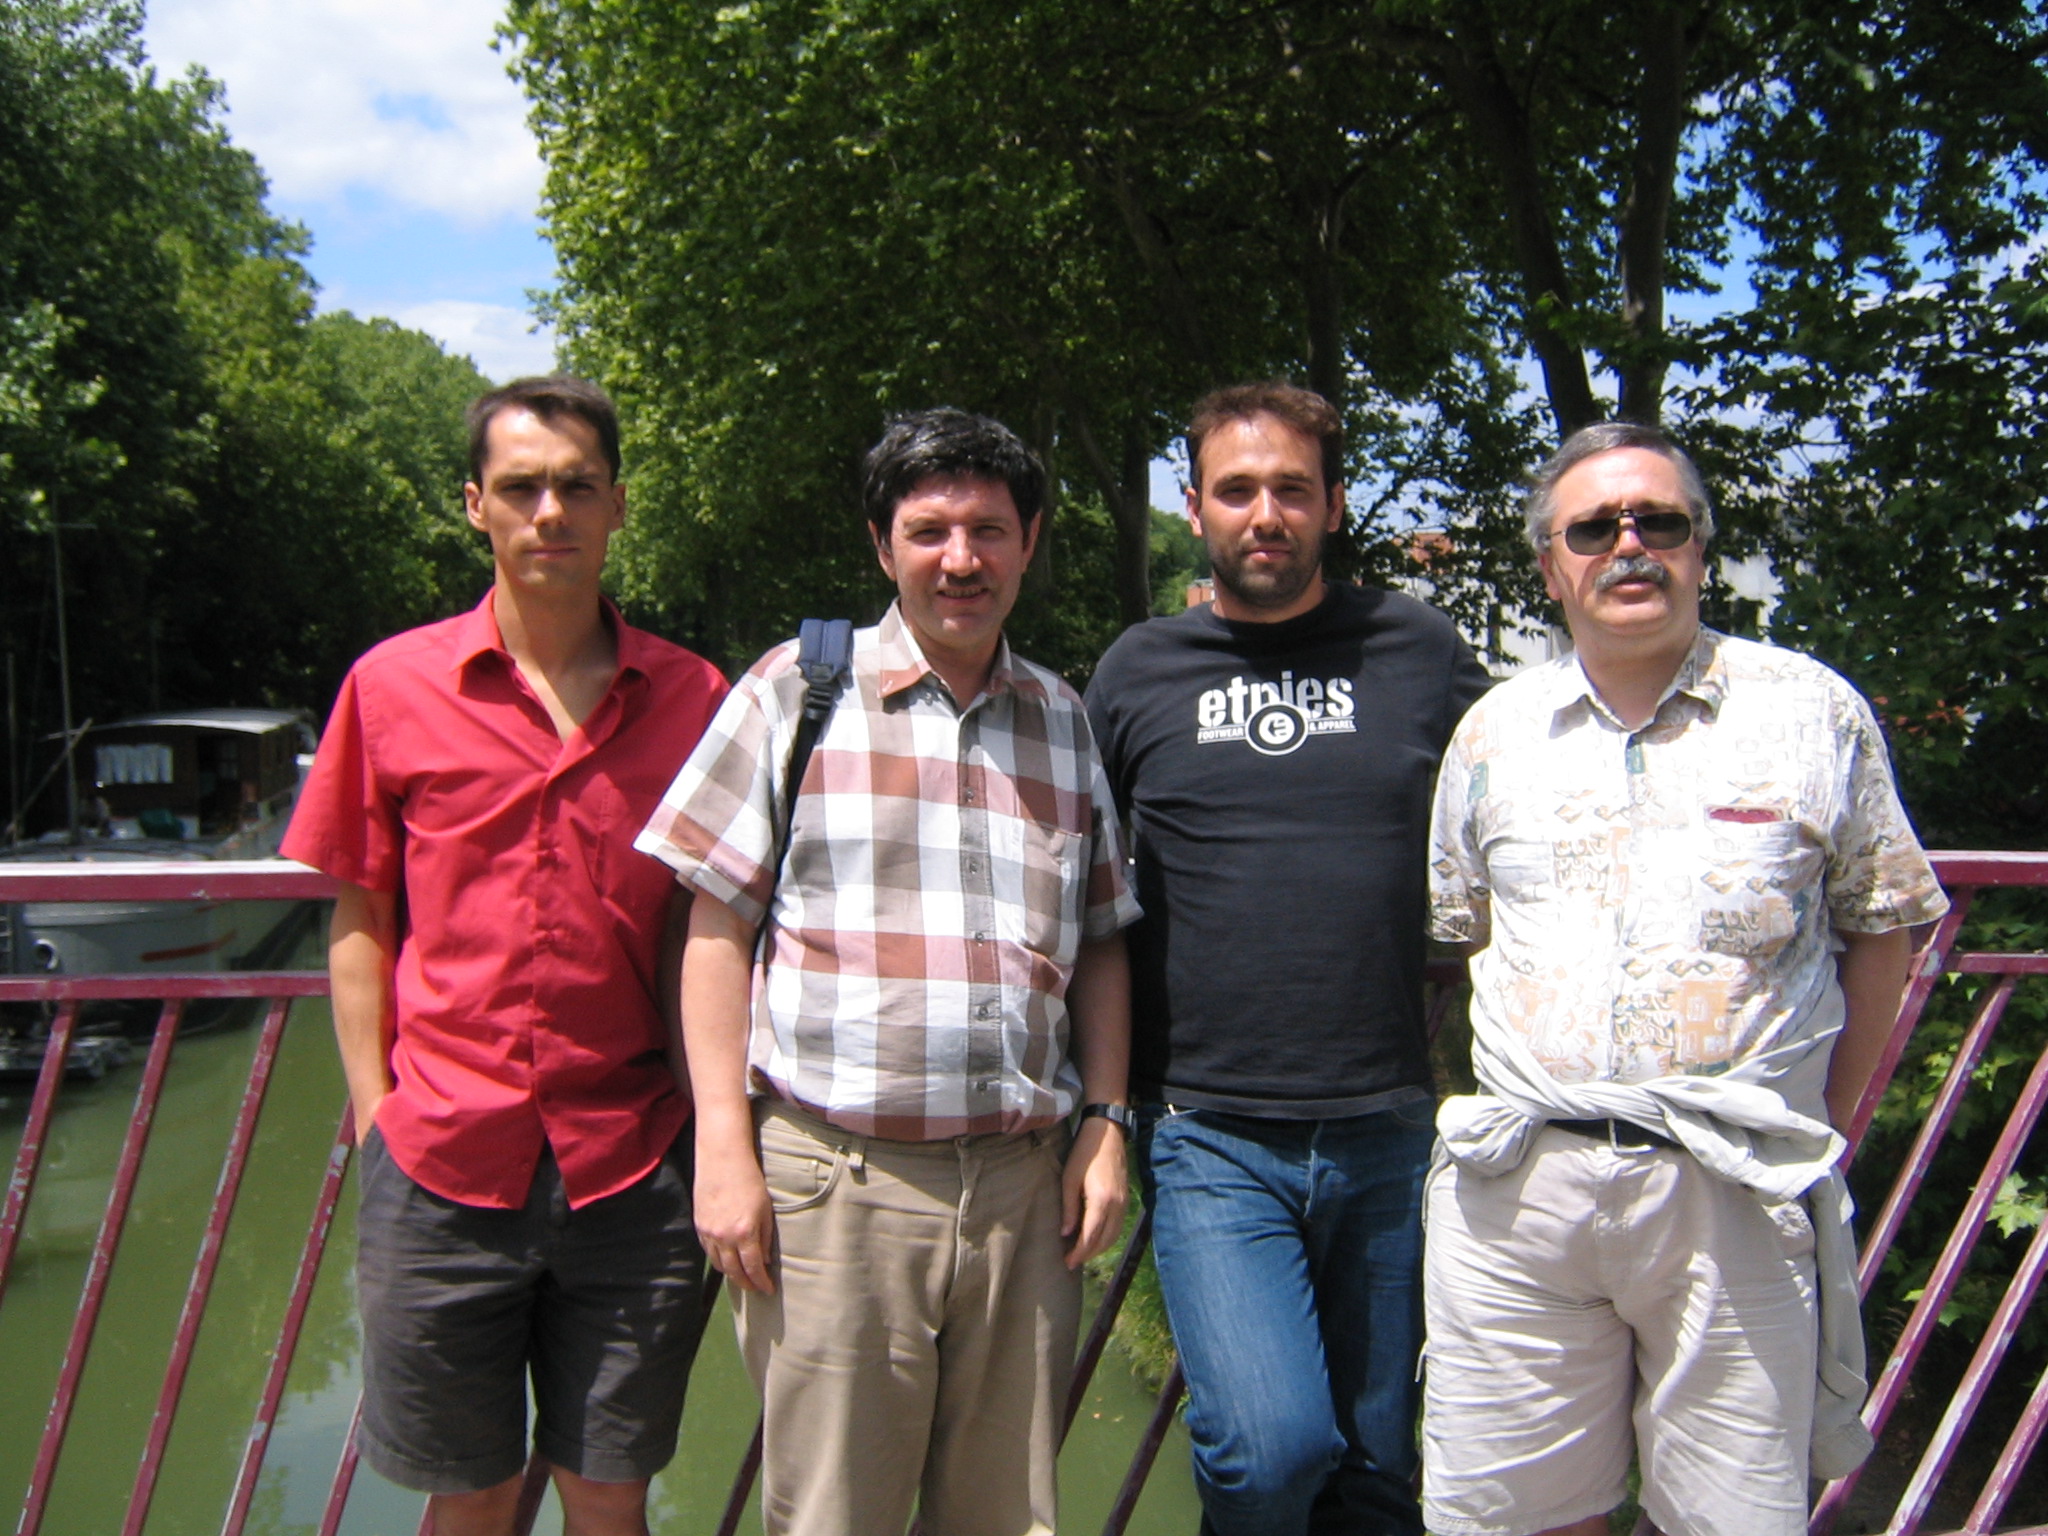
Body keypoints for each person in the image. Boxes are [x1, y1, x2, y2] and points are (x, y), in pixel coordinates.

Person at [1422, 422, 1950, 1536]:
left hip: (1734, 1187)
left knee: (1730, 1519)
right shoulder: (1489, 735)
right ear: (1549, 565)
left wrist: (1824, 1123)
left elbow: (1884, 927)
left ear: (1699, 547)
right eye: (1593, 528)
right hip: (1520, 1191)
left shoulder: (1812, 712)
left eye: (1658, 521)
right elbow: (1470, 933)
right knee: (1512, 1521)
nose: (1628, 544)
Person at [635, 407, 1139, 1536]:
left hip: (1022, 1193)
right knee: (834, 1517)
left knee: (1007, 1519)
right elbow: (713, 930)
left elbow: (1102, 936)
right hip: (836, 1188)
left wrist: (1104, 1123)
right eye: (929, 531)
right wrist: (722, 1143)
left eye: (989, 530)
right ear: (881, 545)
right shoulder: (793, 690)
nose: (961, 560)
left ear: (1028, 542)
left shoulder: (1061, 717)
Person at [282, 376, 729, 1536]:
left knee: (610, 1497)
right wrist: (375, 1113)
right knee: (470, 1496)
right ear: (474, 504)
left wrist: (715, 1133)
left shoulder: (695, 699)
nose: (550, 512)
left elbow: (714, 929)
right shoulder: (391, 686)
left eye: (577, 485)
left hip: (634, 1164)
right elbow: (360, 918)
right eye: (521, 486)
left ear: (618, 504)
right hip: (439, 1159)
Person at [1084, 382, 1491, 1536]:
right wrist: (1093, 1111)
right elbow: (1074, 879)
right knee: (1267, 1453)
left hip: (1386, 1122)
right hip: (1208, 1129)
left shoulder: (1415, 649)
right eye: (1236, 490)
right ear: (1194, 506)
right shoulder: (1137, 669)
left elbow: (1524, 799)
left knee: (1373, 1473)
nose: (1264, 514)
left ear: (1333, 504)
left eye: (1291, 489)